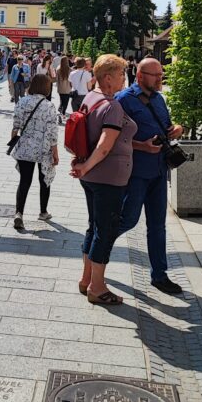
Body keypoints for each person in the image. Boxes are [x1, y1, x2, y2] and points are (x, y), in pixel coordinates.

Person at [70, 55, 137, 306]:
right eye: (121, 74)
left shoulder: (90, 98)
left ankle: (86, 279)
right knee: (105, 231)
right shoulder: (112, 106)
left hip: (92, 176)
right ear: (107, 78)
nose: (124, 79)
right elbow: (105, 145)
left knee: (94, 227)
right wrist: (85, 166)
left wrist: (83, 166)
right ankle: (97, 287)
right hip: (108, 177)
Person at [116, 57, 185, 295]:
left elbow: (166, 127)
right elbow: (114, 137)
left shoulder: (158, 99)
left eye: (161, 74)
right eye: (155, 75)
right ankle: (96, 249)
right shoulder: (124, 100)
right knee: (127, 220)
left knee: (157, 226)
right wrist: (142, 146)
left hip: (158, 171)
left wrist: (177, 128)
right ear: (140, 76)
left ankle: (159, 275)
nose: (160, 78)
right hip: (136, 172)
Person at [10, 74, 59, 231]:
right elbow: (52, 132)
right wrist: (55, 152)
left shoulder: (22, 102)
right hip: (43, 148)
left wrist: (13, 141)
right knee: (44, 179)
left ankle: (19, 213)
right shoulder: (49, 106)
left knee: (24, 181)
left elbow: (16, 125)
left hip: (25, 147)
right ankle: (43, 212)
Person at [55, 55, 73, 123]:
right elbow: (71, 80)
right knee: (66, 102)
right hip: (68, 88)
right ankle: (62, 112)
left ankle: (60, 112)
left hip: (60, 88)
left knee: (61, 100)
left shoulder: (58, 69)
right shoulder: (70, 70)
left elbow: (57, 80)